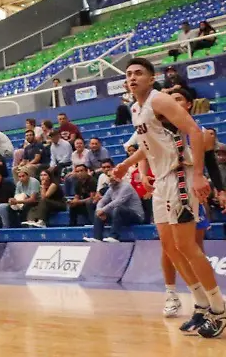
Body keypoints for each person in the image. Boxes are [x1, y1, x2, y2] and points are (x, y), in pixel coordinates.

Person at [112, 58, 223, 338]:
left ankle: (219, 309)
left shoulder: (159, 100)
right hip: (161, 180)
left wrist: (199, 175)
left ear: (151, 78)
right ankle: (200, 304)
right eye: (129, 74)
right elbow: (148, 145)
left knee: (186, 245)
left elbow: (194, 131)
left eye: (139, 73)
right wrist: (126, 164)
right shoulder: (136, 108)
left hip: (180, 175)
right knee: (170, 248)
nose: (132, 77)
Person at [154, 87, 224, 320]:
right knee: (170, 247)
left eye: (178, 99)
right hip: (168, 188)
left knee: (192, 247)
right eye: (170, 99)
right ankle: (184, 297)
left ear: (188, 104)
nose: (172, 102)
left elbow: (211, 163)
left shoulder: (201, 132)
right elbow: (144, 150)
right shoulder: (158, 127)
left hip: (191, 189)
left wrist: (220, 190)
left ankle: (212, 303)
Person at [84, 168, 143, 244]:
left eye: (114, 175)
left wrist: (103, 210)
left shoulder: (126, 186)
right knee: (99, 211)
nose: (111, 178)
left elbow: (118, 202)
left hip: (135, 216)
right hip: (119, 216)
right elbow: (102, 201)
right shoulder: (111, 188)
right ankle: (97, 237)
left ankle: (114, 237)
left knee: (117, 208)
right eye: (109, 176)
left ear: (120, 176)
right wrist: (99, 210)